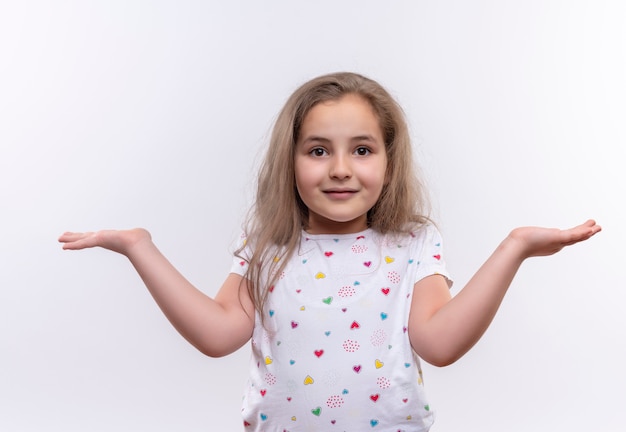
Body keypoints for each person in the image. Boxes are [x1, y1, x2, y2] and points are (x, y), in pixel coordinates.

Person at [58, 72, 601, 431]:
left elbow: (438, 343)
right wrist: (138, 247)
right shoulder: (269, 247)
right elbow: (218, 333)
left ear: (388, 161)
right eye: (318, 150)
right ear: (291, 162)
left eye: (361, 150)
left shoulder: (412, 243)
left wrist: (515, 248)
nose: (340, 168)